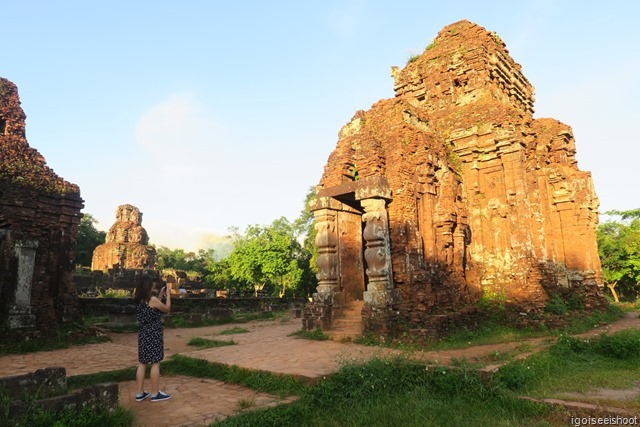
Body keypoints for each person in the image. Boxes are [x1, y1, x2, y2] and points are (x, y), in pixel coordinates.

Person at [133, 275, 172, 402]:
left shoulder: (138, 300)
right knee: (155, 362)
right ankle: (155, 393)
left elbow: (154, 307)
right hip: (154, 333)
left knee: (142, 363)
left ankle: (140, 393)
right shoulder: (153, 300)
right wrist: (169, 296)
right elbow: (166, 309)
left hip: (143, 333)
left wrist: (160, 295)